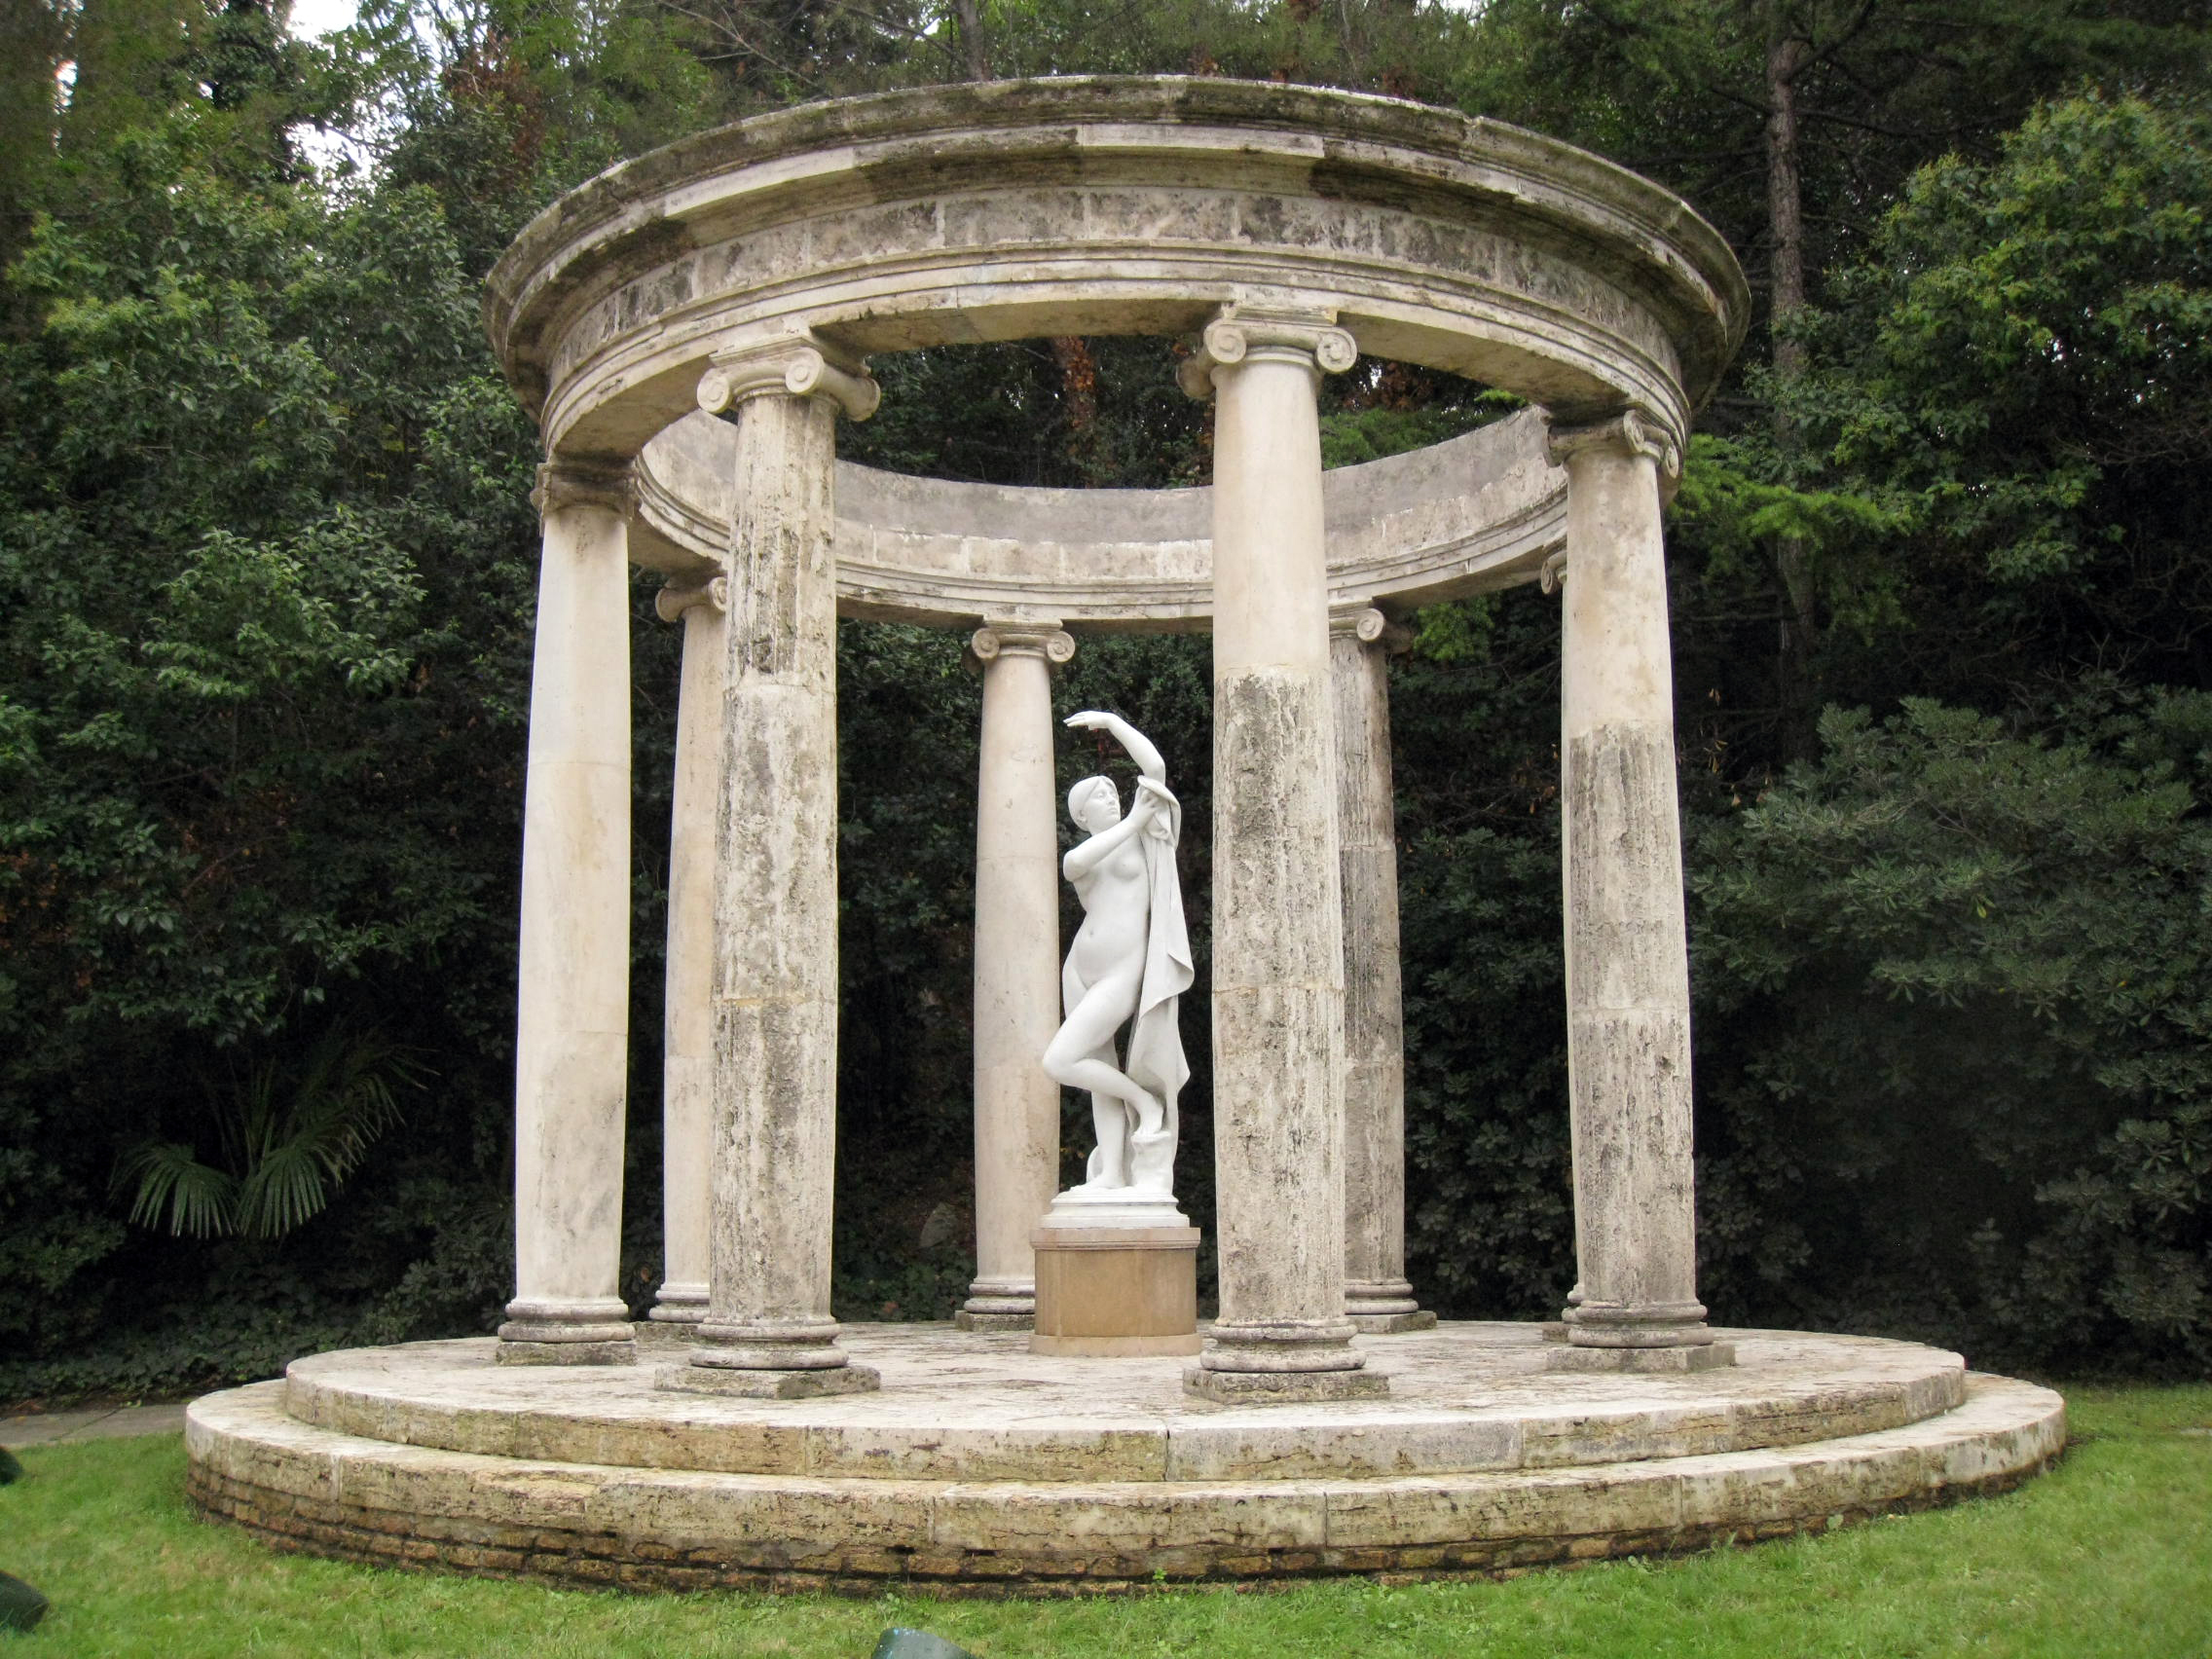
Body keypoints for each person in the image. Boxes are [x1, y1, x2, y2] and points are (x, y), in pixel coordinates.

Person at [1042, 711, 1192, 1196]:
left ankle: (1146, 1105)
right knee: (1093, 1068)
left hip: (1120, 975)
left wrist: (1112, 723)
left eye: (1112, 791)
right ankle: (1112, 1173)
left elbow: (1154, 768)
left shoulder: (1146, 838)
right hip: (1079, 969)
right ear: (1082, 817)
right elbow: (1074, 863)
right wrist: (1131, 820)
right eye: (1097, 797)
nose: (1110, 797)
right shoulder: (1096, 848)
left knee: (1059, 1061)